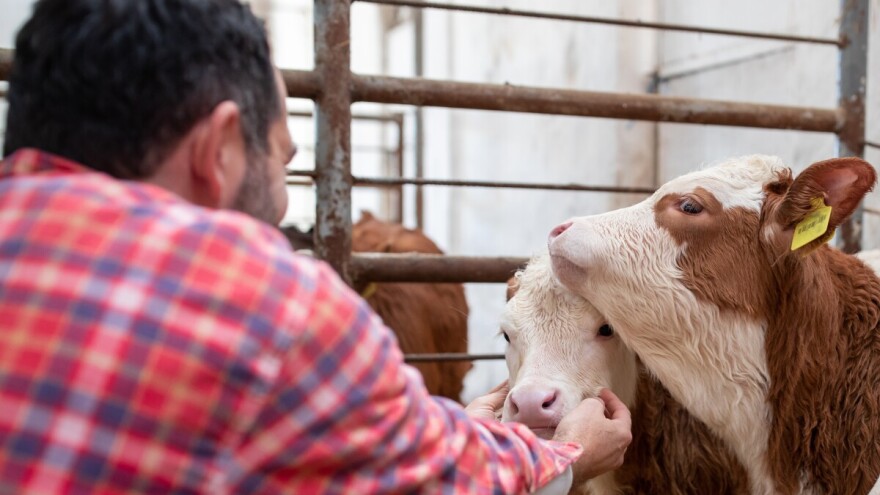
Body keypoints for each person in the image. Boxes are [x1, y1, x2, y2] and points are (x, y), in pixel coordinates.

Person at [0, 0, 632, 493]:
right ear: (218, 148)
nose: (278, 203)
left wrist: (448, 431)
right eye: (284, 160)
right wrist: (566, 457)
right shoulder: (263, 304)